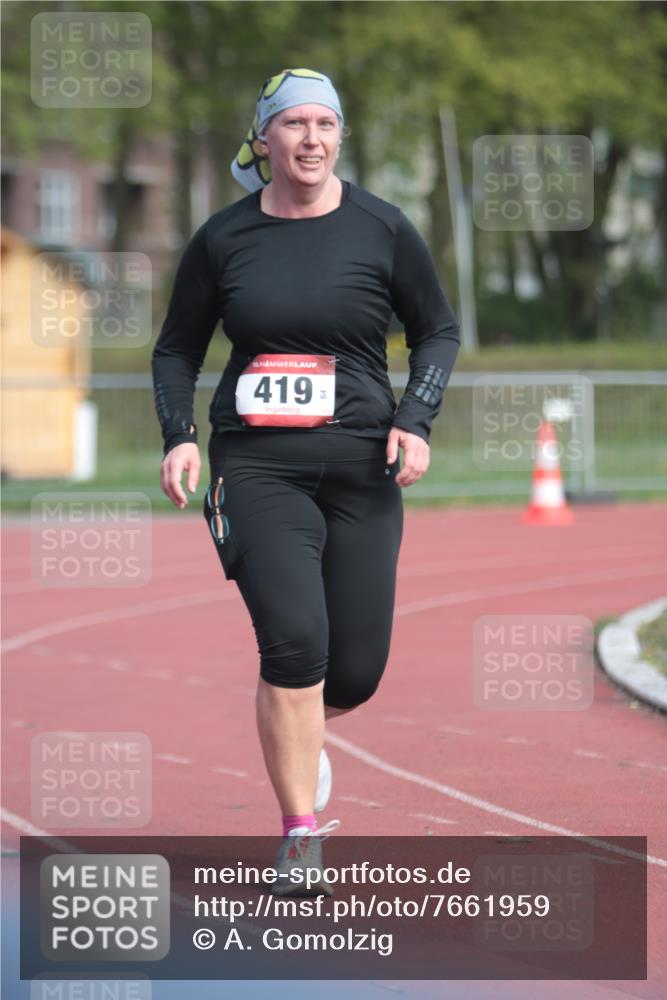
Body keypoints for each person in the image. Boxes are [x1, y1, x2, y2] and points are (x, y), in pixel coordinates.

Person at [151, 67, 460, 896]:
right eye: (294, 125)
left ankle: (294, 730)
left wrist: (413, 419)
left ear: (340, 137)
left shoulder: (383, 229)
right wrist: (179, 439)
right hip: (255, 464)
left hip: (362, 465)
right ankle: (298, 832)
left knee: (352, 673)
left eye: (325, 124)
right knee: (294, 643)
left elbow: (436, 330)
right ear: (266, 138)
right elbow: (176, 348)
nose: (311, 139)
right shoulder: (223, 238)